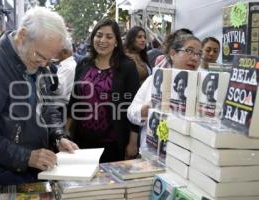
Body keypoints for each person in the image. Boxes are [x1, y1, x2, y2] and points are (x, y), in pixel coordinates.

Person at [0, 7, 78, 192]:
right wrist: (25, 157)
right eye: (40, 56)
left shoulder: (37, 59)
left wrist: (58, 136)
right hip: (0, 174)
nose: (44, 64)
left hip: (35, 168)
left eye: (49, 60)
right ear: (22, 35)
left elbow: (47, 108)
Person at [66, 19, 140, 163]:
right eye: (99, 35)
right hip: (81, 141)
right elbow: (74, 101)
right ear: (93, 37)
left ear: (117, 41)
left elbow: (133, 107)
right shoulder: (83, 63)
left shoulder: (127, 67)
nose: (102, 40)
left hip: (113, 142)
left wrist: (132, 142)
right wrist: (66, 132)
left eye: (109, 36)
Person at [127, 31, 202, 151]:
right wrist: (143, 111)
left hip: (186, 156)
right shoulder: (154, 80)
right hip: (152, 153)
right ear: (173, 53)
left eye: (199, 54)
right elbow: (131, 112)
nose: (195, 58)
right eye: (189, 51)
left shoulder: (202, 86)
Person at [56, 37, 77, 104]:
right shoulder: (66, 65)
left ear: (64, 52)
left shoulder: (68, 68)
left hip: (60, 106)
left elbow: (58, 90)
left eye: (56, 50)